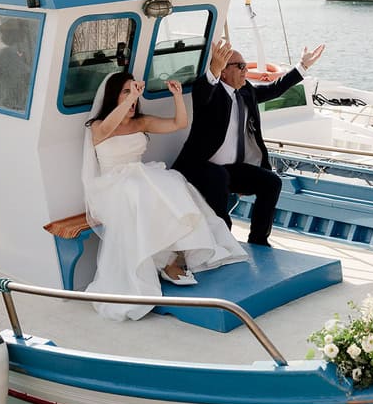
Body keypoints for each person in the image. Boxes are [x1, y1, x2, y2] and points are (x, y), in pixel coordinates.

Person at [82, 71, 247, 321]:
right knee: (141, 193)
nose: (133, 99)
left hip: (139, 176)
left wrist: (178, 96)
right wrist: (130, 99)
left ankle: (176, 255)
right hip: (111, 185)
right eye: (126, 92)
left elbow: (178, 124)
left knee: (175, 184)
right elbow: (108, 127)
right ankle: (165, 261)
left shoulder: (141, 122)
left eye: (134, 92)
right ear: (114, 96)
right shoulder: (98, 126)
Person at [172, 40, 325, 247]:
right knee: (220, 176)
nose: (246, 70)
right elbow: (201, 93)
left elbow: (274, 89)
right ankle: (223, 239)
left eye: (245, 66)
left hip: (230, 170)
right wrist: (214, 69)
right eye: (241, 66)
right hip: (198, 167)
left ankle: (259, 240)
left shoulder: (245, 92)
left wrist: (302, 66)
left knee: (272, 182)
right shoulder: (210, 93)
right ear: (224, 72)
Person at [0, 18, 31, 111]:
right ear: (10, 31)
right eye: (22, 28)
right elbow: (30, 77)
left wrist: (18, 59)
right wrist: (24, 61)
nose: (25, 33)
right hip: (6, 107)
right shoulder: (5, 51)